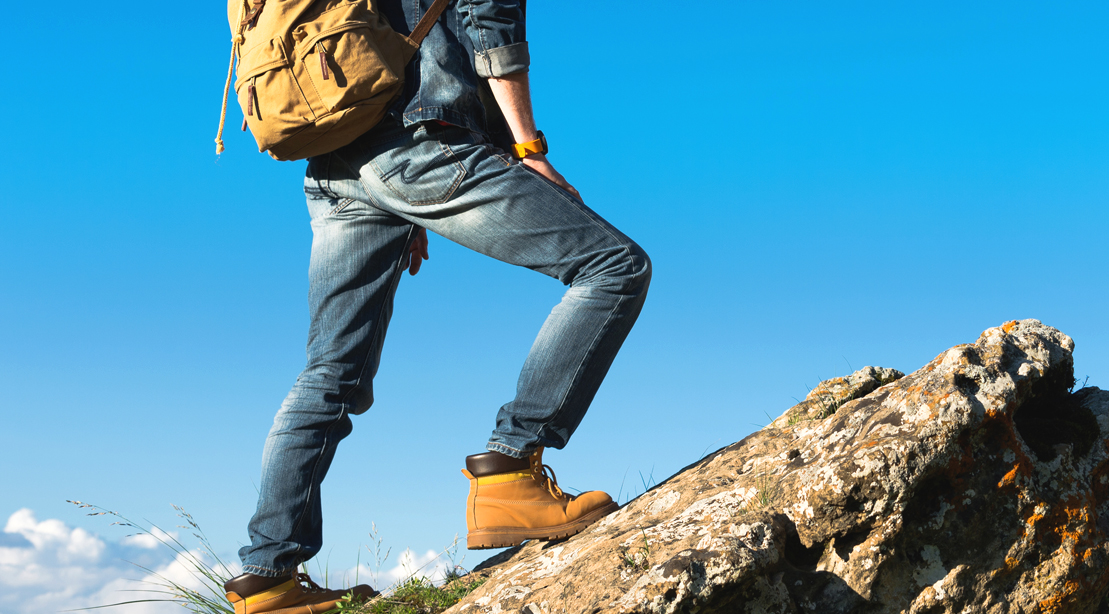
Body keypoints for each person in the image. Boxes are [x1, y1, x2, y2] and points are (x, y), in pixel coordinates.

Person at [221, 0, 651, 611]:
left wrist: (402, 205)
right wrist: (528, 149)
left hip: (336, 165)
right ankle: (509, 467)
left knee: (329, 374)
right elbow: (492, 26)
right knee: (613, 267)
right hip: (421, 142)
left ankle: (267, 576)